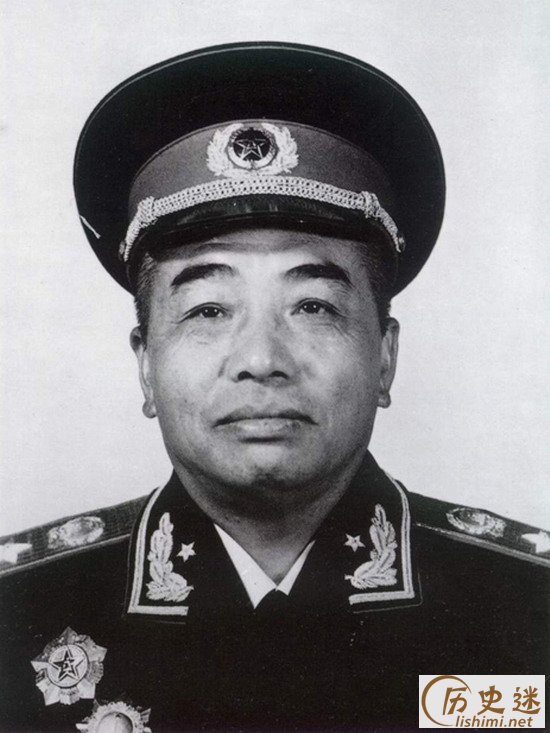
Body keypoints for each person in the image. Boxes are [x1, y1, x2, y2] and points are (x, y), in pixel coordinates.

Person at [0, 42, 548, 733]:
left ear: (385, 355)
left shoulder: (526, 609)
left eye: (312, 306)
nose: (261, 359)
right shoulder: (19, 612)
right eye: (208, 311)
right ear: (145, 364)